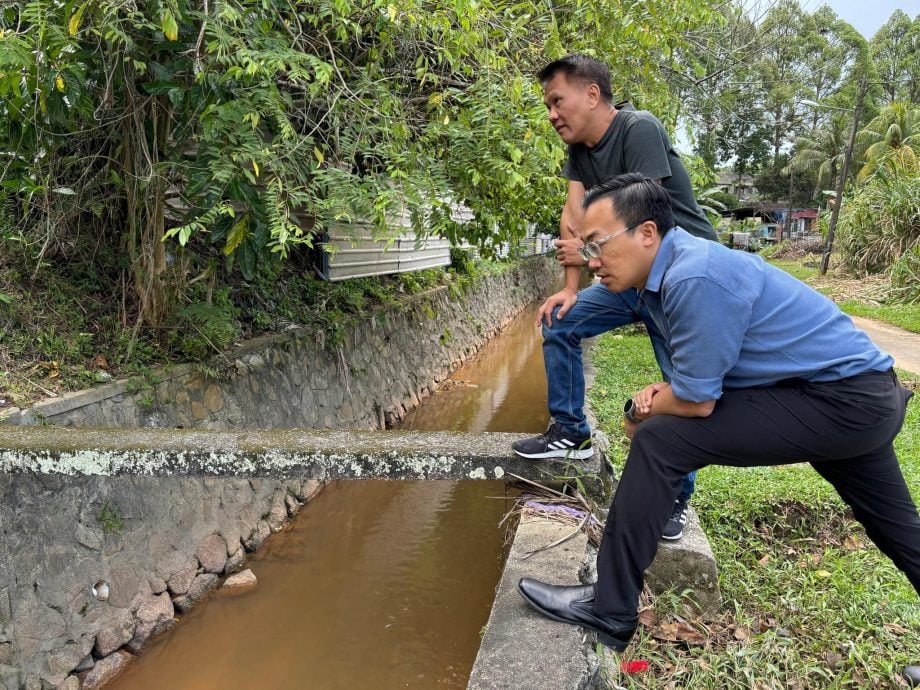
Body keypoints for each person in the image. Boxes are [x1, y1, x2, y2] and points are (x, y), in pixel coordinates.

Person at [516, 173, 920, 686]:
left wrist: (641, 409)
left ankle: (610, 607)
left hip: (843, 400)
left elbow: (698, 401)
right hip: (858, 397)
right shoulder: (668, 274)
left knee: (663, 440)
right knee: (898, 528)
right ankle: (611, 603)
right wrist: (659, 400)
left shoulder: (695, 276)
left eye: (597, 244)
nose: (590, 260)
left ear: (646, 233)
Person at [511, 54, 717, 540]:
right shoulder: (579, 150)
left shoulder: (638, 128)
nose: (552, 114)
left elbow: (642, 214)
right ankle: (570, 434)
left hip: (678, 280)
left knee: (680, 391)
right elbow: (573, 214)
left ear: (591, 94)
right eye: (548, 105)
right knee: (560, 322)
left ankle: (675, 499)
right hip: (625, 275)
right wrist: (568, 287)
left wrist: (583, 247)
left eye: (557, 100)